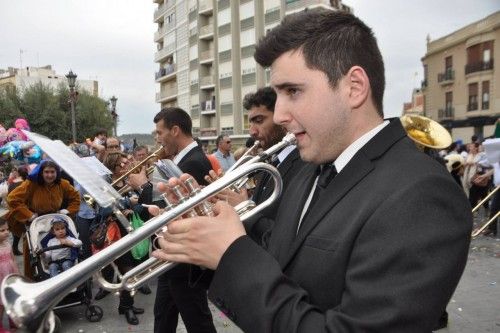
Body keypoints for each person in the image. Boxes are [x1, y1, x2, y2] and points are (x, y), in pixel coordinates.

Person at [152, 9, 472, 332]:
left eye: (293, 91)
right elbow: (278, 263)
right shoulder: (308, 169)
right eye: (277, 95)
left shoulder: (424, 194)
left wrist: (230, 255)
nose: (278, 115)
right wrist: (206, 237)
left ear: (355, 87)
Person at [128, 107, 216, 333]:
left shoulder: (193, 162)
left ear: (175, 130)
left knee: (198, 321)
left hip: (185, 257)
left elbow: (168, 206)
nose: (157, 139)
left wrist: (143, 186)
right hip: (173, 254)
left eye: (159, 133)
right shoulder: (181, 159)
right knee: (163, 316)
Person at [242, 87, 307, 245]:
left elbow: (286, 235)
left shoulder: (305, 164)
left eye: (259, 121)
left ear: (282, 118)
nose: (252, 131)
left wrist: (245, 208)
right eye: (250, 123)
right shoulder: (270, 162)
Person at [6, 160, 80, 278]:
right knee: (33, 254)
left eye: (52, 172)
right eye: (46, 172)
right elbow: (12, 199)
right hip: (36, 224)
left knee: (64, 248)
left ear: (57, 172)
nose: (49, 175)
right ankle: (33, 283)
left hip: (56, 222)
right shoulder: (31, 184)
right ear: (41, 173)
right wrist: (29, 215)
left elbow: (76, 198)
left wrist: (67, 211)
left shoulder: (63, 184)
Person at [0, 218, 20, 332]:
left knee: (10, 299)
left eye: (7, 229)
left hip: (8, 276)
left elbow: (13, 260)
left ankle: (12, 320)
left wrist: (17, 274)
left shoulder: (7, 244)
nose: (7, 232)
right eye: (2, 230)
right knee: (1, 304)